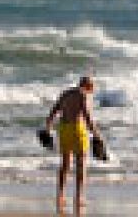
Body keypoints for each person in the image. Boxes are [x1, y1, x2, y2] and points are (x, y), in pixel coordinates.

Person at [44, 76, 102, 211]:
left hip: (63, 129)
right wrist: (96, 133)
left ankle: (60, 195)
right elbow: (87, 116)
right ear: (88, 86)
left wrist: (48, 126)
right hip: (77, 129)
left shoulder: (66, 93)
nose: (92, 91)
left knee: (65, 164)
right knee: (81, 164)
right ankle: (79, 197)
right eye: (91, 87)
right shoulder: (83, 96)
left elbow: (53, 112)